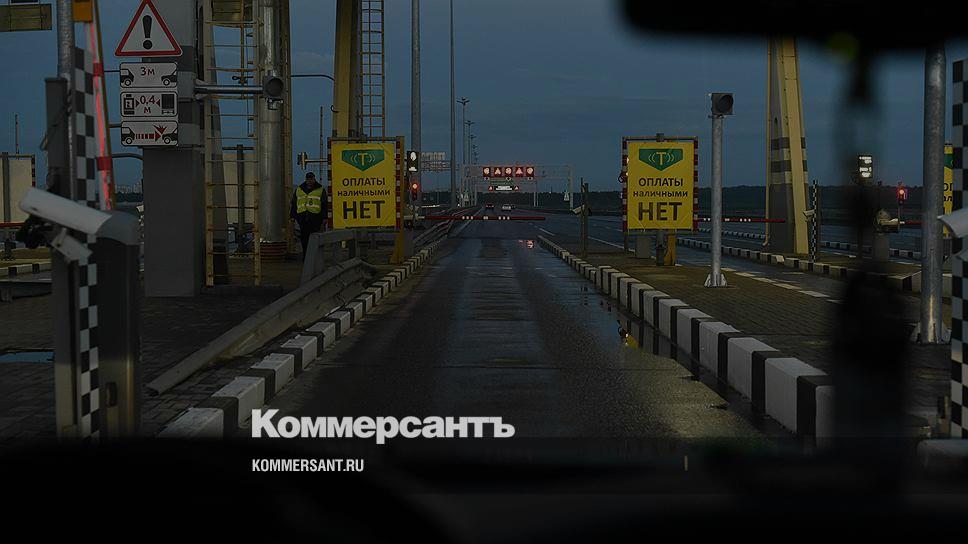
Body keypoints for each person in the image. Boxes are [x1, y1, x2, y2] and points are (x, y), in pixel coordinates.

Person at [290, 171, 326, 259]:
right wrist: (292, 216)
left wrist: (324, 217)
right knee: (304, 238)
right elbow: (294, 203)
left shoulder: (320, 189)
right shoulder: (299, 189)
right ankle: (306, 256)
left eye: (311, 179)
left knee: (314, 237)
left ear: (314, 179)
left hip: (315, 217)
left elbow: (324, 204)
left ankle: (314, 256)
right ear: (306, 180)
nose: (309, 181)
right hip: (302, 217)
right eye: (308, 179)